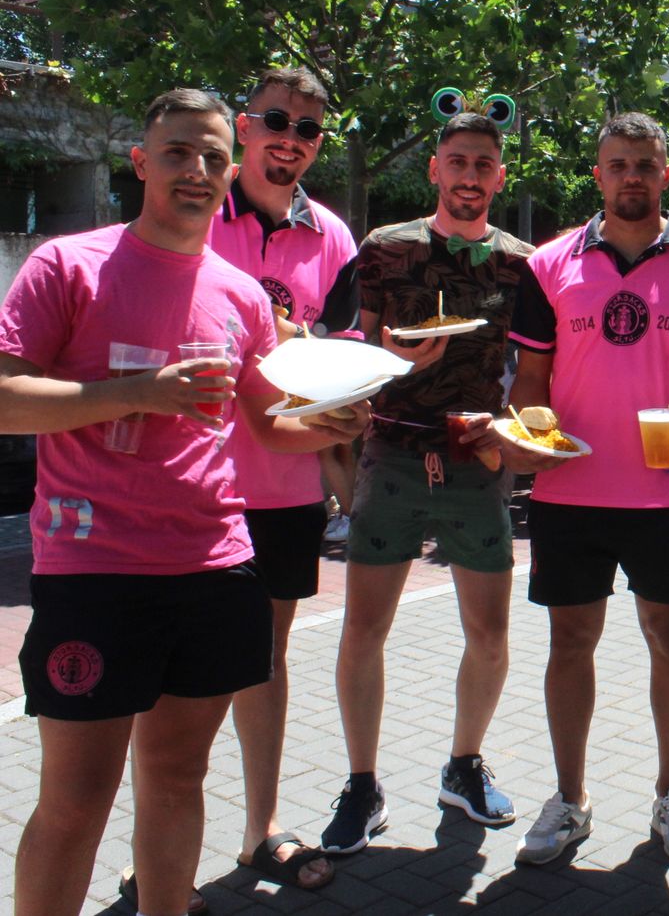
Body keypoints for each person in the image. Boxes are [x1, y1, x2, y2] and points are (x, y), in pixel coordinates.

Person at [1, 89, 365, 916]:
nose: (195, 171)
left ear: (227, 170)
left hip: (214, 567)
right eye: (177, 152)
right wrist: (139, 392)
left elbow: (271, 425)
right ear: (141, 162)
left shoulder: (239, 294)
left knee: (176, 779)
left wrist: (334, 423)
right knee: (76, 800)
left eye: (210, 157)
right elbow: (4, 398)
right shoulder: (70, 266)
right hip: (95, 571)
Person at [501, 111, 669, 865]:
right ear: (598, 173)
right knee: (569, 642)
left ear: (667, 172)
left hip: (667, 493)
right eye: (618, 164)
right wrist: (526, 434)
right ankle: (570, 798)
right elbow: (531, 381)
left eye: (646, 163)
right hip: (570, 492)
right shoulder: (549, 266)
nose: (632, 175)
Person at [321, 110, 534, 854]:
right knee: (364, 630)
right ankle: (361, 782)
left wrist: (512, 435)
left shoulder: (520, 263)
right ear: (435, 170)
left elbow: (533, 369)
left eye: (483, 163)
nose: (470, 174)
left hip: (477, 464)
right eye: (458, 160)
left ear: (499, 177)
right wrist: (394, 365)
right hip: (393, 455)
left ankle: (464, 764)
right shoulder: (385, 250)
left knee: (490, 633)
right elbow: (350, 353)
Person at [208, 66, 358, 892]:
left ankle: (259, 829)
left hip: (284, 486)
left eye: (307, 129)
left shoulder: (333, 237)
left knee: (264, 658)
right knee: (176, 668)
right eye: (276, 119)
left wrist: (351, 408)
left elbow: (338, 355)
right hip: (189, 485)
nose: (290, 137)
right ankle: (168, 832)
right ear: (242, 125)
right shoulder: (191, 207)